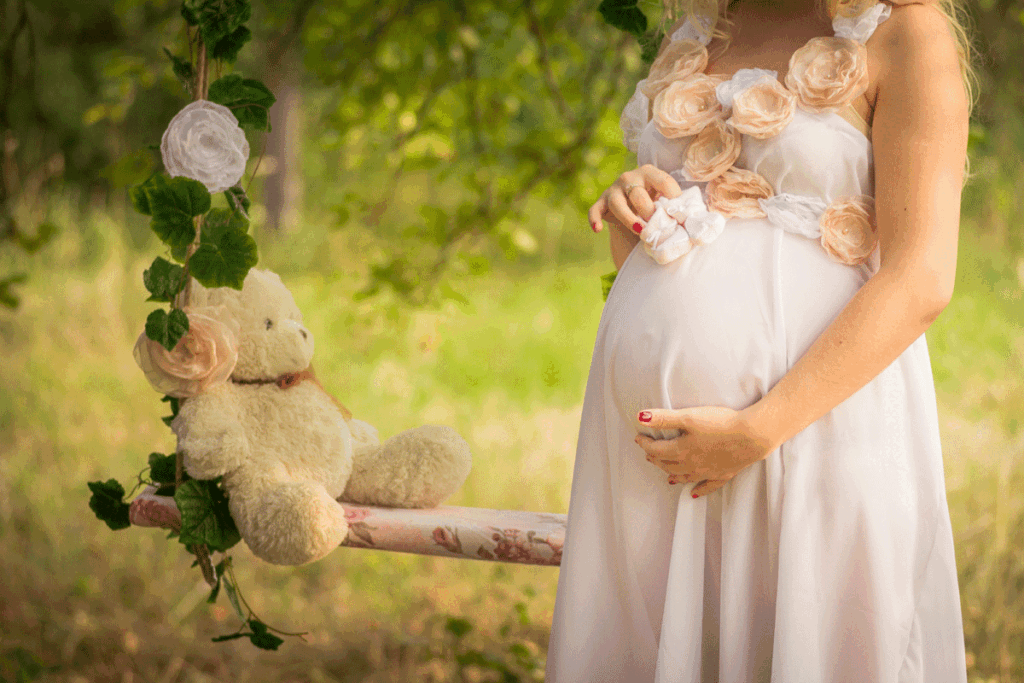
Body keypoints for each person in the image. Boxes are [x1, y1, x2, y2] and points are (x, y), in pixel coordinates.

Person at [545, 0, 973, 680]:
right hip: (658, 467)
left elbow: (921, 277)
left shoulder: (904, 31)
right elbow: (674, 256)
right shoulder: (700, 29)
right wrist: (638, 203)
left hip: (811, 435)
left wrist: (758, 428)